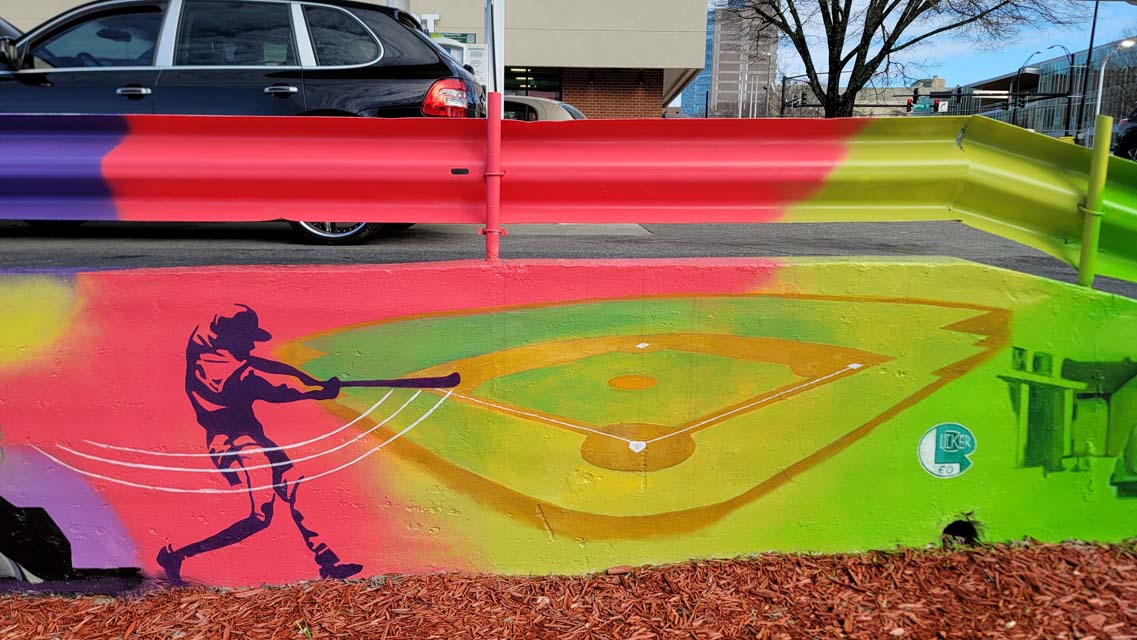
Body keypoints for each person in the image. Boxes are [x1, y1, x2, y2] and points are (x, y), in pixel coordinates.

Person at [156, 304, 362, 583]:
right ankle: (176, 553)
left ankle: (327, 562)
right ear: (228, 337)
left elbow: (264, 366)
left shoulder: (207, 349)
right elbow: (269, 386)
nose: (252, 343)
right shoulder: (212, 370)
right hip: (233, 444)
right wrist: (316, 391)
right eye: (247, 337)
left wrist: (313, 382)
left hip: (255, 439)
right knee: (259, 518)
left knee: (294, 480)